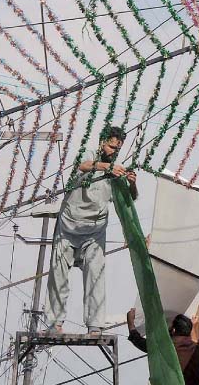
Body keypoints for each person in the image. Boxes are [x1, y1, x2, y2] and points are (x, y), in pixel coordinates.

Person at [45, 126, 137, 335]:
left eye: (117, 149)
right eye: (111, 146)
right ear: (102, 141)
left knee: (96, 276)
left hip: (94, 232)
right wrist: (105, 167)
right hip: (68, 227)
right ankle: (54, 322)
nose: (114, 151)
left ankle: (95, 324)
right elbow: (82, 165)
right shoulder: (89, 154)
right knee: (58, 274)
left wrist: (131, 184)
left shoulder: (116, 170)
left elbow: (129, 199)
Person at [126, 305, 199, 385]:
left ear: (174, 330)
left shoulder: (167, 346)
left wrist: (131, 325)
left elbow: (140, 342)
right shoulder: (196, 347)